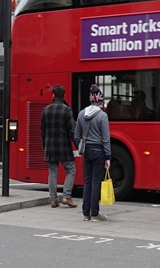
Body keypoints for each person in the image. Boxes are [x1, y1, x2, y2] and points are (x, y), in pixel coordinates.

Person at [73, 84, 111, 221]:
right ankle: (95, 213)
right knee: (96, 182)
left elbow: (77, 136)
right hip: (99, 151)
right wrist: (108, 156)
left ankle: (85, 214)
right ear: (100, 101)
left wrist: (81, 146)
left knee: (87, 182)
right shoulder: (102, 116)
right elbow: (105, 138)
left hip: (87, 150)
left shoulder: (81, 114)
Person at [40, 84, 77, 208]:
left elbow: (43, 130)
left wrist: (44, 145)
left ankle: (53, 200)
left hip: (51, 147)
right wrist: (78, 145)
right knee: (70, 169)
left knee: (52, 172)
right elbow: (72, 130)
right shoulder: (67, 110)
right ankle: (66, 197)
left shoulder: (46, 110)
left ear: (53, 95)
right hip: (64, 146)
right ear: (63, 95)